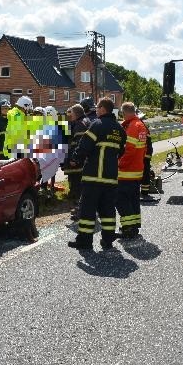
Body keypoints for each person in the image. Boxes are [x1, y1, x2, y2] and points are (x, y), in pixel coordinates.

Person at [67, 97, 126, 251]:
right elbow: (121, 151)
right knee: (108, 211)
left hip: (93, 177)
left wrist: (75, 159)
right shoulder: (119, 130)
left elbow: (84, 146)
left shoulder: (97, 125)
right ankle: (108, 240)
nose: (96, 110)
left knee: (87, 210)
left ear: (102, 109)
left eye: (98, 107)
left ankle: (84, 242)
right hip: (111, 178)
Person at [116, 102, 148, 239]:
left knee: (121, 200)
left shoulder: (133, 127)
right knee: (133, 200)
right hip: (136, 171)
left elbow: (128, 150)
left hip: (126, 172)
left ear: (124, 112)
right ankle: (134, 227)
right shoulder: (140, 125)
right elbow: (142, 149)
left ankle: (128, 228)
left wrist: (118, 164)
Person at [62, 104, 90, 221]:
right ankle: (80, 208)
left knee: (78, 185)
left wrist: (74, 159)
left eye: (71, 114)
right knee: (79, 185)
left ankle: (81, 211)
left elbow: (79, 144)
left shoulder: (79, 124)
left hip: (78, 162)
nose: (70, 116)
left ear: (76, 114)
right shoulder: (86, 121)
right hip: (83, 161)